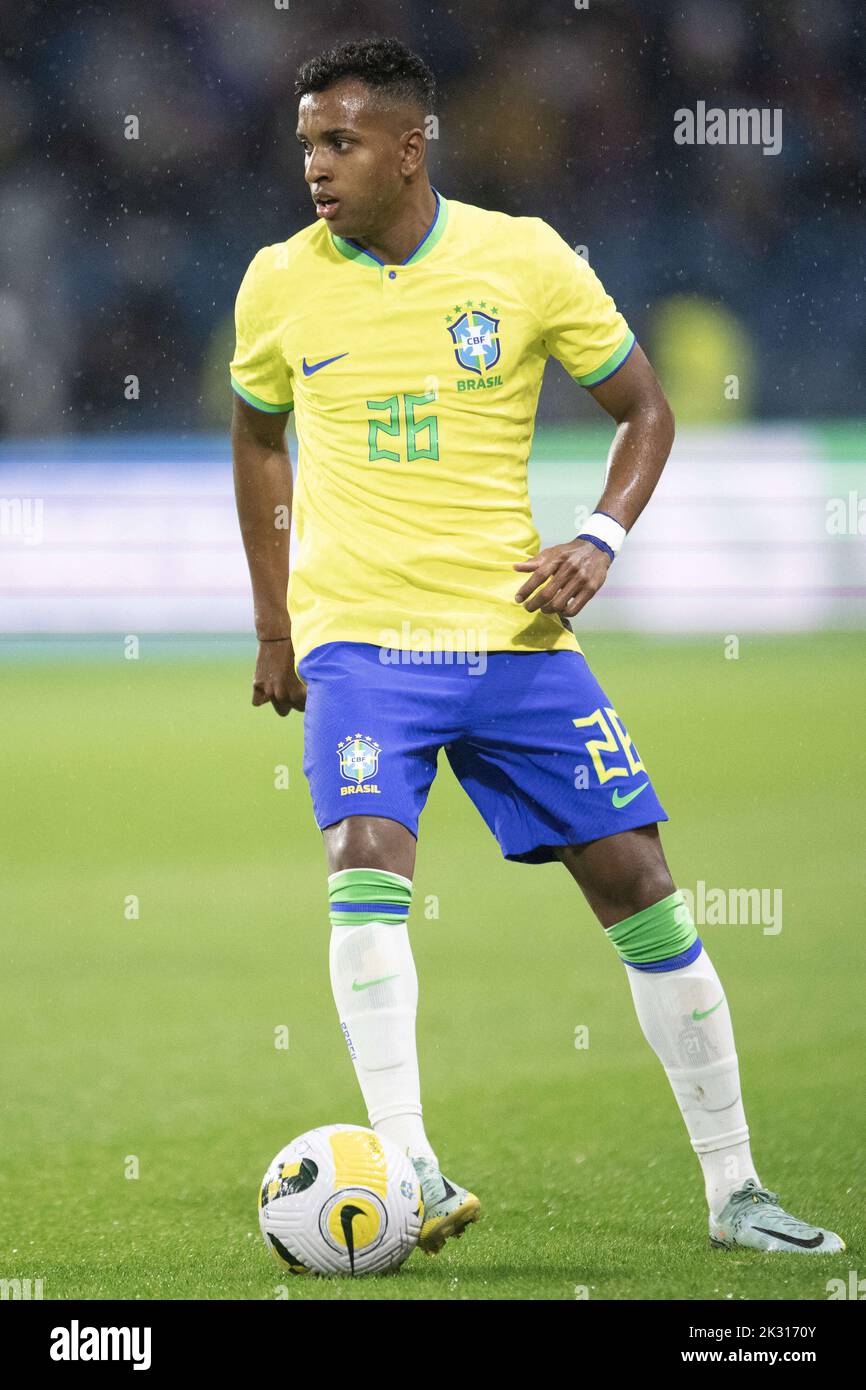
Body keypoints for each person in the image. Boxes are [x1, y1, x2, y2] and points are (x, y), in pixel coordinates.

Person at [230, 36, 843, 1258]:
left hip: (516, 636)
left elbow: (644, 409)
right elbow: (256, 440)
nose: (315, 165)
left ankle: (735, 1192)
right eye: (306, 142)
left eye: (339, 142)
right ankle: (406, 1166)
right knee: (364, 864)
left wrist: (600, 536)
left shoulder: (524, 259)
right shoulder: (277, 282)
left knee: (641, 889)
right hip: (364, 643)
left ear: (410, 148)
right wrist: (277, 621)